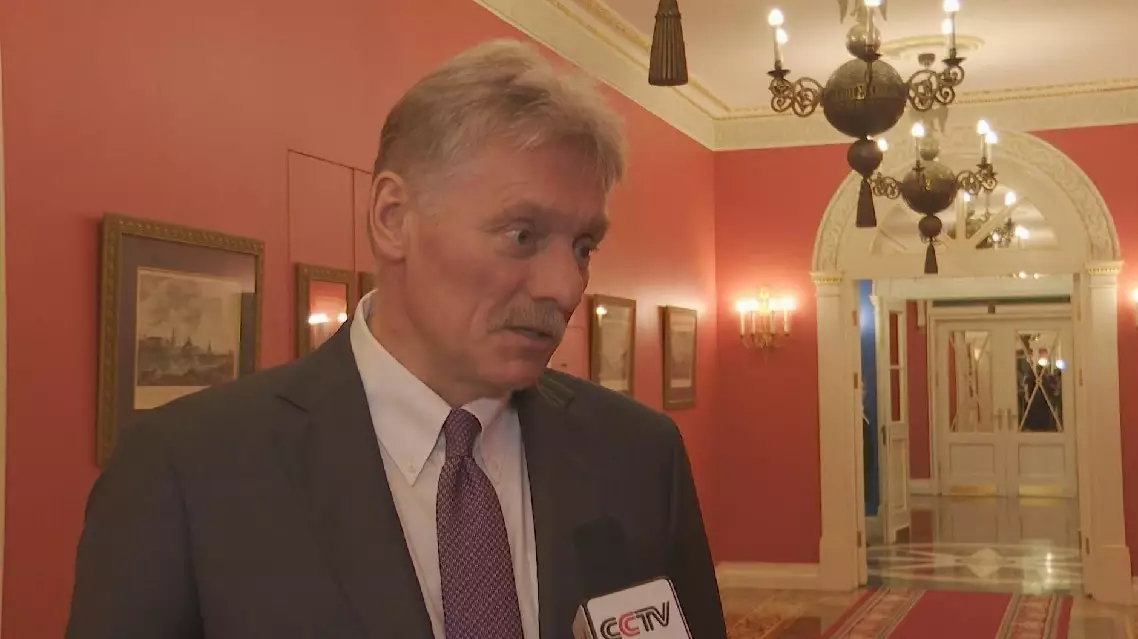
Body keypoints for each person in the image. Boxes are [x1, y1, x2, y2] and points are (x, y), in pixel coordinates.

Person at [66, 39, 726, 639]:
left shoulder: (638, 457)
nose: (565, 285)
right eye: (522, 234)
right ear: (393, 218)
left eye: (583, 246)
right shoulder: (188, 472)